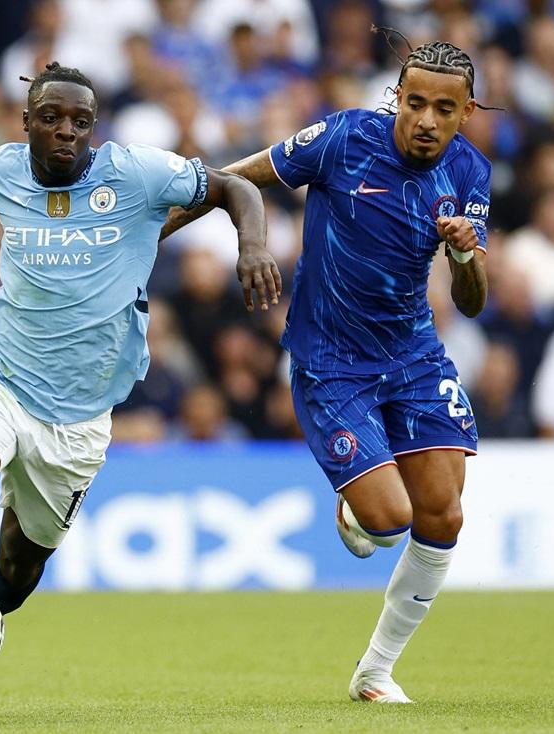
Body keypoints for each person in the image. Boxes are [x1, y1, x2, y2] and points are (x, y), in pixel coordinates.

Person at [0, 62, 279, 685]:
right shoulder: (4, 169)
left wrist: (252, 246)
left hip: (80, 414)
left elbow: (236, 188)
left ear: (94, 127)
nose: (67, 130)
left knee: (18, 568)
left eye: (80, 121)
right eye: (51, 118)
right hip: (1, 376)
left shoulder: (137, 173)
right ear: (27, 122)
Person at [162, 38, 491, 704]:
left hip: (414, 355)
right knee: (388, 521)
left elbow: (472, 302)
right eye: (416, 103)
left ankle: (375, 672)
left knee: (444, 516)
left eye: (444, 109)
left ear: (466, 112)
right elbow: (232, 179)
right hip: (331, 361)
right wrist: (146, 238)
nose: (427, 120)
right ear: (397, 98)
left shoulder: (469, 171)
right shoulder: (344, 139)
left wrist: (463, 255)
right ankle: (358, 506)